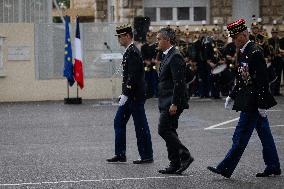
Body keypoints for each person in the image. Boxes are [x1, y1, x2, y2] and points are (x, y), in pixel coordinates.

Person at [207, 18, 281, 178]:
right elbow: (242, 78)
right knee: (265, 134)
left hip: (253, 102)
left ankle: (225, 168)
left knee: (240, 136)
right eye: (232, 38)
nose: (233, 41)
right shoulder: (244, 52)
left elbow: (262, 80)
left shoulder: (255, 52)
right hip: (248, 98)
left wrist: (262, 104)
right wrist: (232, 95)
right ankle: (273, 166)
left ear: (244, 35)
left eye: (235, 37)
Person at [106, 24, 153, 164]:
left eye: (120, 36)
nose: (119, 39)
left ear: (127, 36)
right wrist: (125, 93)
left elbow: (133, 76)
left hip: (135, 96)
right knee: (119, 121)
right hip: (130, 95)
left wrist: (125, 93)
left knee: (140, 125)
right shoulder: (129, 51)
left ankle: (146, 155)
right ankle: (120, 154)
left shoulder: (132, 52)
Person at [156, 27, 194, 174]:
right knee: (170, 130)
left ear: (168, 40)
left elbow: (179, 83)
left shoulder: (175, 56)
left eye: (159, 39)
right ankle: (174, 163)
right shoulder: (167, 55)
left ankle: (185, 155)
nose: (157, 42)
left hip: (172, 102)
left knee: (163, 130)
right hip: (166, 100)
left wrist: (175, 103)